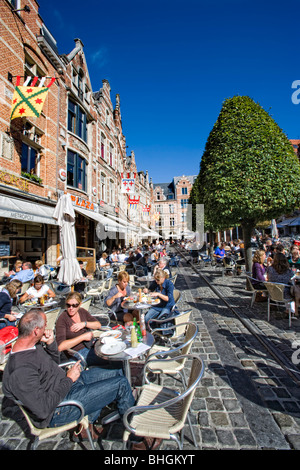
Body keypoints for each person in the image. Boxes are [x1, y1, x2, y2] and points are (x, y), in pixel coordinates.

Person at [2, 309, 135, 440]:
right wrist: (69, 379)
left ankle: (88, 423)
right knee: (121, 384)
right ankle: (136, 436)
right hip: (59, 409)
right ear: (36, 331)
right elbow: (43, 410)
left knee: (118, 370)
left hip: (68, 384)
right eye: (44, 326)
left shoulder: (31, 346)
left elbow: (52, 365)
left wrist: (50, 344)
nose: (47, 329)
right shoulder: (21, 370)